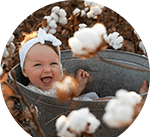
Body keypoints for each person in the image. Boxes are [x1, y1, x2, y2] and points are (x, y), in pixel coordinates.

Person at [19, 28, 148, 101]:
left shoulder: (58, 82)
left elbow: (70, 95)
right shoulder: (31, 92)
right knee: (106, 103)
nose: (47, 70)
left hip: (79, 109)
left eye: (53, 63)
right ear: (24, 71)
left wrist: (79, 85)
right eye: (37, 65)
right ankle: (137, 101)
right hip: (71, 119)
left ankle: (135, 98)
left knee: (107, 100)